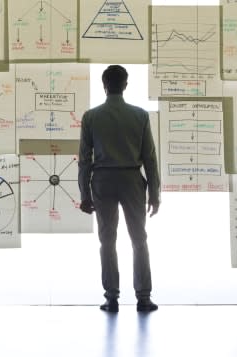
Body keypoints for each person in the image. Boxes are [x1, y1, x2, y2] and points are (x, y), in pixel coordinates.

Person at [78, 65, 160, 313]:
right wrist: (155, 193)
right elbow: (150, 158)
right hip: (132, 180)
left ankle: (111, 297)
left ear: (104, 85)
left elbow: (84, 159)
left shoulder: (91, 117)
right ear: (125, 84)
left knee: (107, 240)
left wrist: (84, 193)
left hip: (102, 181)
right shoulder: (140, 115)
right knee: (139, 240)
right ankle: (143, 298)